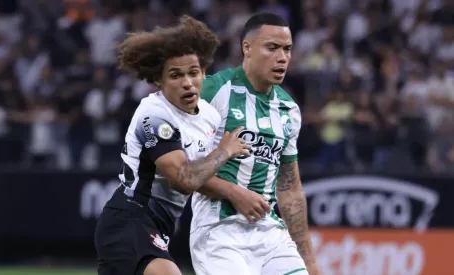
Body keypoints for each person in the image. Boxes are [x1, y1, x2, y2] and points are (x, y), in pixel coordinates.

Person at [94, 16, 251, 275]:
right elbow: (184, 179)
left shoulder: (209, 116)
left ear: (204, 73)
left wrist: (239, 193)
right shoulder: (153, 115)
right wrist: (224, 151)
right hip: (130, 218)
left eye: (193, 73)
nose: (187, 82)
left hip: (160, 225)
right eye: (176, 75)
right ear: (159, 80)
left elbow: (202, 176)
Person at [190, 13, 322, 275]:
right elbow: (181, 169)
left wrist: (309, 260)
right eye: (272, 48)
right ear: (246, 48)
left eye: (287, 49)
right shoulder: (213, 91)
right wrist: (234, 192)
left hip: (270, 234)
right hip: (219, 231)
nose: (282, 57)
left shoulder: (288, 109)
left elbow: (290, 188)